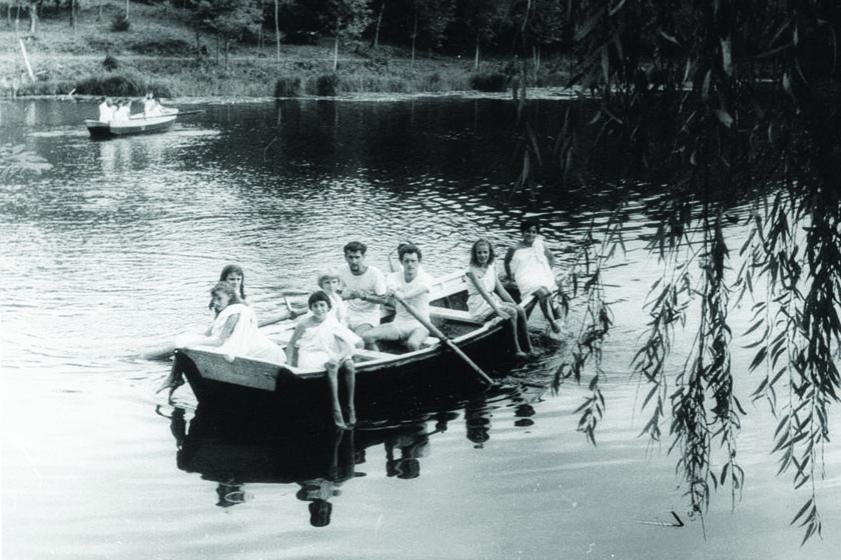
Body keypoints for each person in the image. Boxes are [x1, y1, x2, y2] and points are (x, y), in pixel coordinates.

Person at [286, 291, 363, 429]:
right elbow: (291, 344)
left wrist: (338, 357)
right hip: (310, 354)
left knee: (349, 365)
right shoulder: (303, 324)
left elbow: (351, 344)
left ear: (328, 307)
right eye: (315, 306)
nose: (319, 309)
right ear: (311, 308)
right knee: (332, 367)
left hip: (327, 351)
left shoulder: (332, 322)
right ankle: (336, 410)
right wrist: (290, 365)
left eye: (322, 305)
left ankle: (350, 406)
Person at [176, 282, 286, 364]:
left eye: (219, 299)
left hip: (250, 347)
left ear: (230, 296)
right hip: (241, 342)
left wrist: (195, 343)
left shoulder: (234, 313)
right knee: (184, 340)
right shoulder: (228, 310)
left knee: (190, 344)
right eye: (214, 299)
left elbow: (220, 341)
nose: (215, 302)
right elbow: (210, 333)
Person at [466, 238, 534, 357]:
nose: (482, 255)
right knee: (511, 312)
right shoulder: (472, 271)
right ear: (474, 254)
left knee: (520, 310)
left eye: (485, 252)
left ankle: (529, 347)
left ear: (490, 253)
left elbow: (501, 290)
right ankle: (517, 350)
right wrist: (498, 311)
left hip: (492, 300)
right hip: (480, 305)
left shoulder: (491, 266)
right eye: (479, 252)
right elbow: (484, 294)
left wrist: (515, 303)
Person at [362, 243, 432, 352]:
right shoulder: (393, 277)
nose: (410, 264)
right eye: (406, 261)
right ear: (401, 262)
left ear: (419, 262)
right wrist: (392, 290)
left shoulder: (426, 278)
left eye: (413, 261)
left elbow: (422, 289)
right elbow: (392, 286)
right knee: (367, 336)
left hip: (421, 324)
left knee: (412, 344)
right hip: (399, 324)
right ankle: (381, 363)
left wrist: (404, 296)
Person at [504, 218, 564, 333]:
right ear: (522, 232)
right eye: (528, 231)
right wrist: (509, 276)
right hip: (524, 277)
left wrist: (546, 272)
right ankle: (552, 322)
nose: (530, 234)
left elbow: (551, 259)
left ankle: (559, 319)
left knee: (549, 288)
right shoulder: (514, 248)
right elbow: (506, 262)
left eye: (533, 232)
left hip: (538, 274)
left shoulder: (540, 244)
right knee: (542, 291)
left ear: (537, 233)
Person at [338, 241, 387, 337]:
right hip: (348, 313)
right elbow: (336, 294)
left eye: (357, 257)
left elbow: (384, 300)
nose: (354, 261)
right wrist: (345, 296)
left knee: (356, 339)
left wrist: (364, 296)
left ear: (364, 257)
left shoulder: (375, 273)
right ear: (345, 257)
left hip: (368, 316)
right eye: (350, 257)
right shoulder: (342, 270)